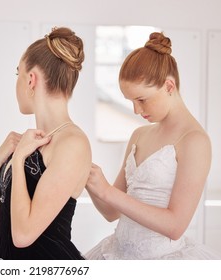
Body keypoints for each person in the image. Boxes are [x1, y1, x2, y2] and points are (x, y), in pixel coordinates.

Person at [85, 32, 221, 259]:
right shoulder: (139, 135)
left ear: (169, 86)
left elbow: (175, 226)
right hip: (115, 254)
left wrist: (109, 192)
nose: (136, 111)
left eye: (141, 99)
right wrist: (89, 180)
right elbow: (111, 212)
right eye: (130, 101)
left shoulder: (194, 141)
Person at [0, 27, 91, 260]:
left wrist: (20, 158)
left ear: (31, 79)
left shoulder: (72, 143)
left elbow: (23, 236)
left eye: (17, 74)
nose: (17, 83)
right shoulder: (30, 140)